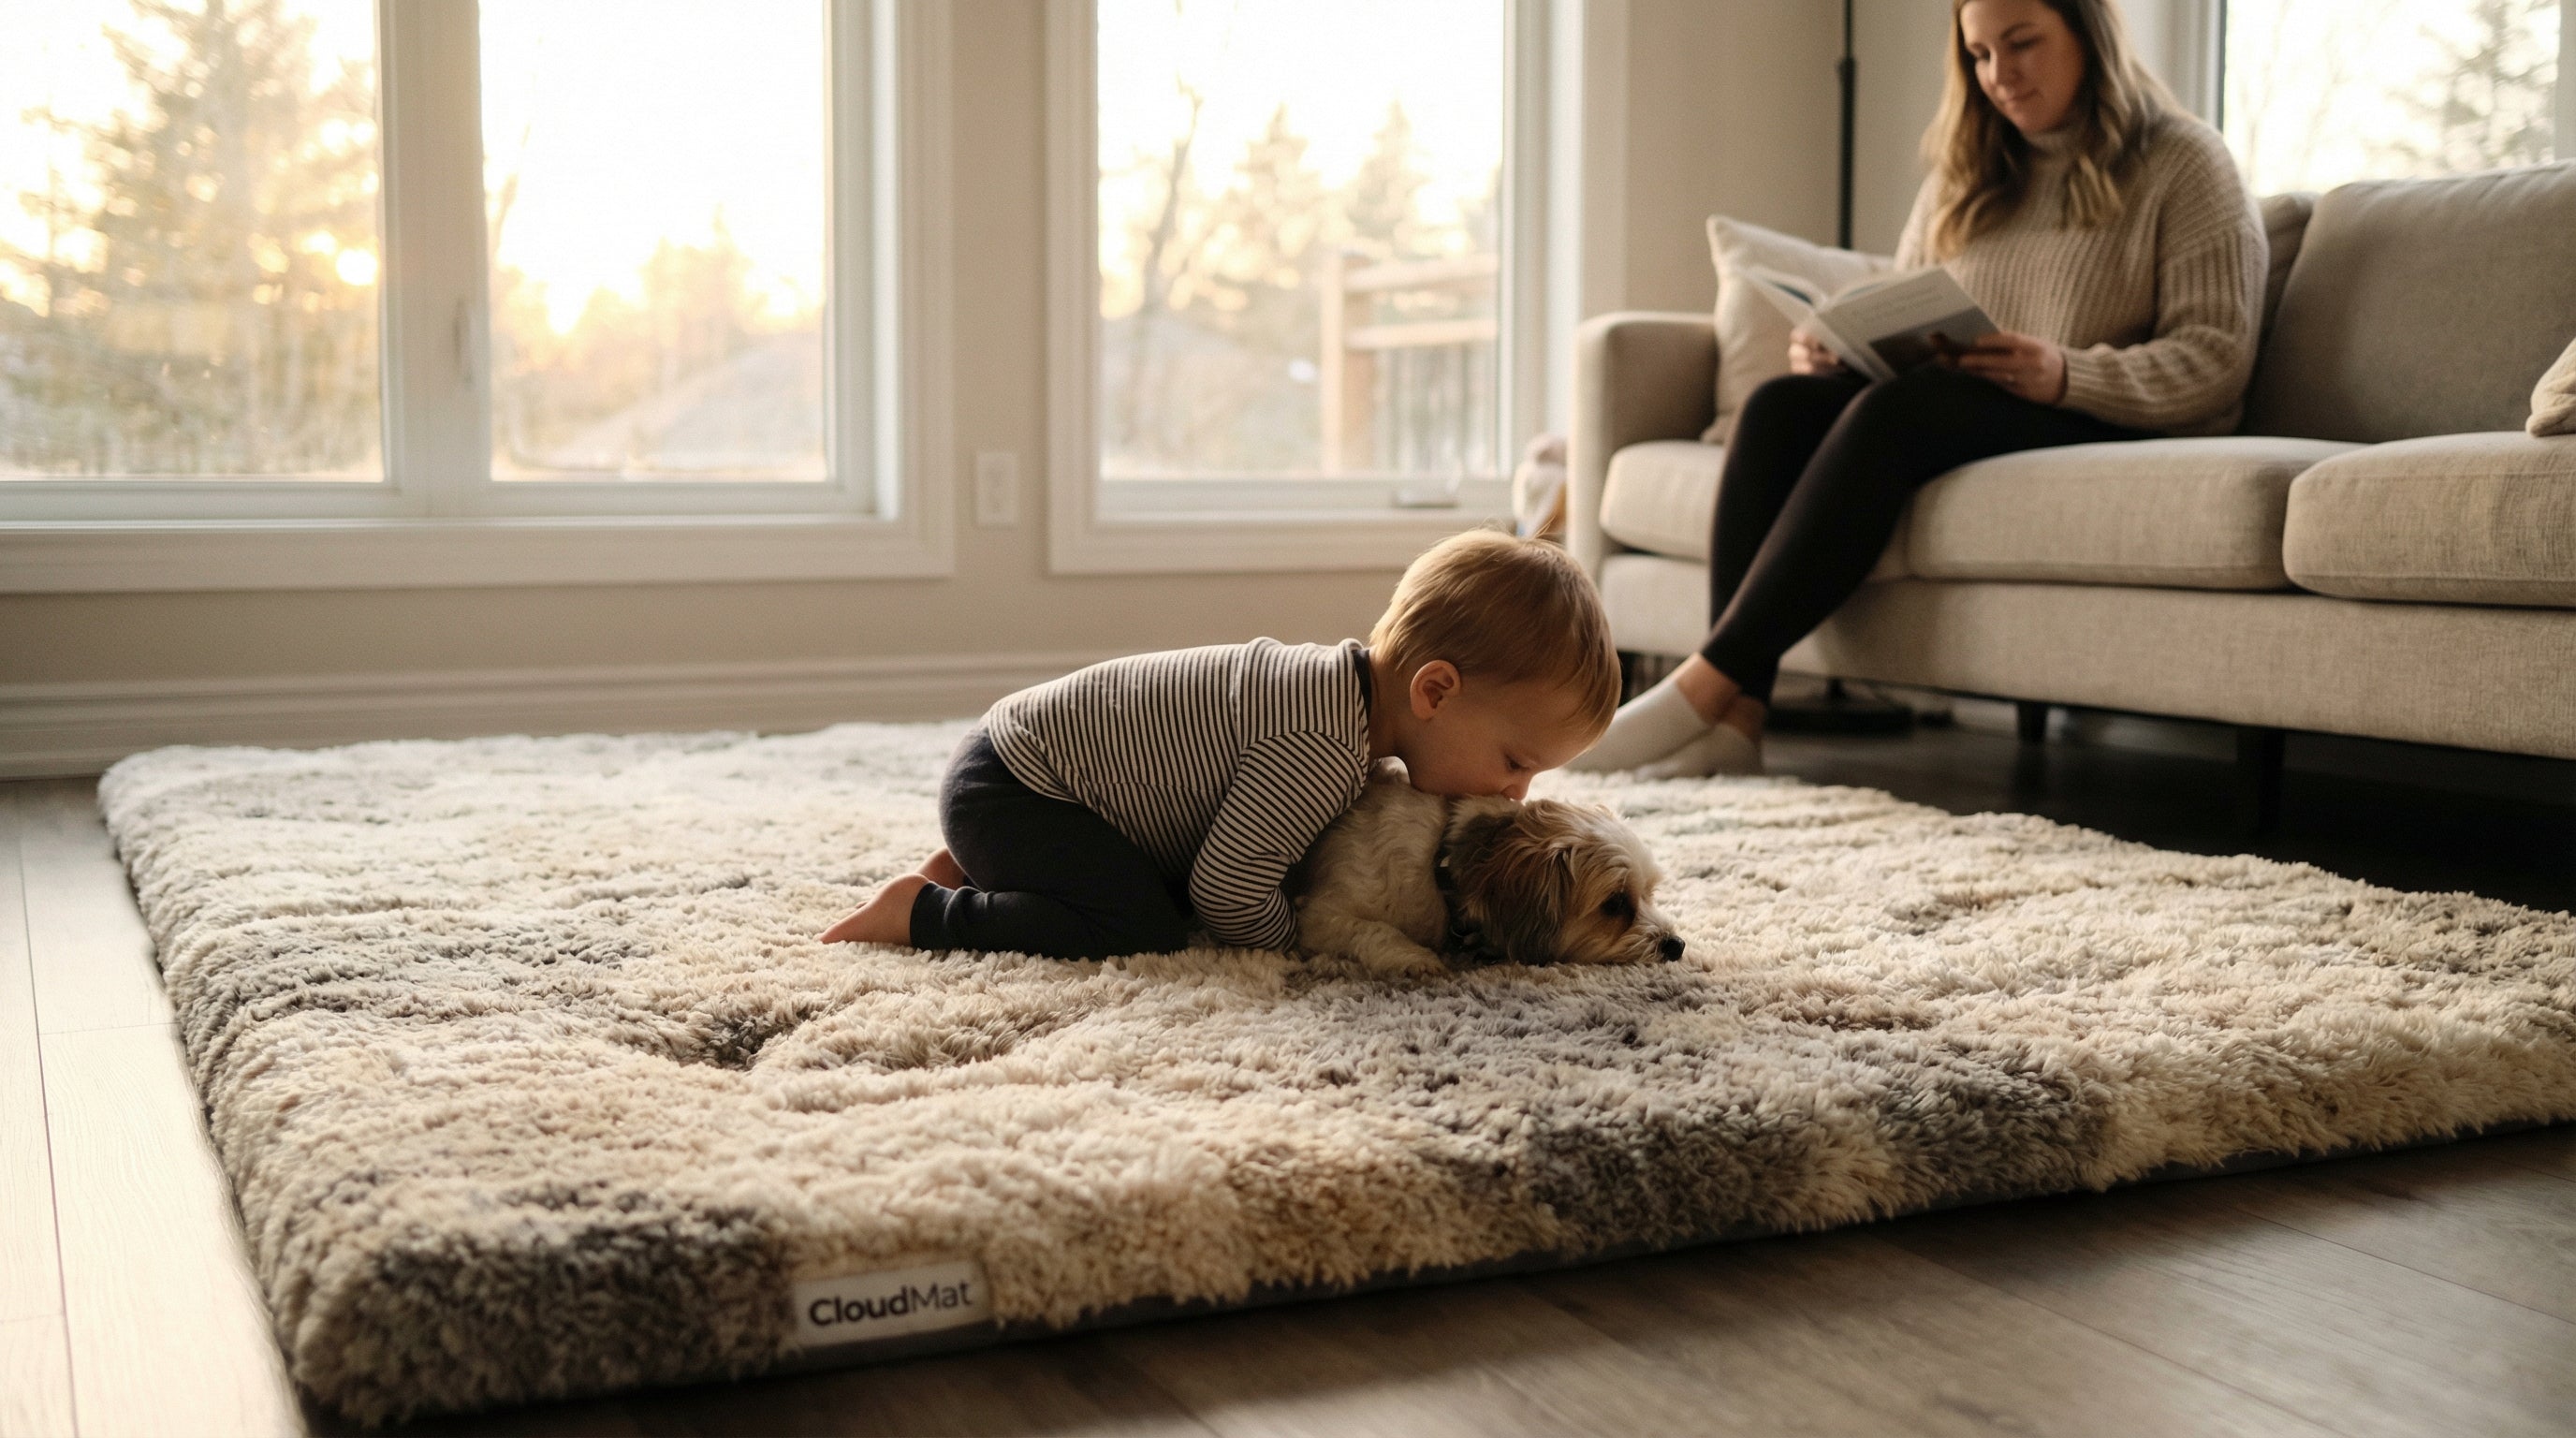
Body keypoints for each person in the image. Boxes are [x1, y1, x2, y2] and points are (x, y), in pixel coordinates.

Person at [1573, 0, 2264, 778]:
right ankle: (1739, 722)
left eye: (2023, 44)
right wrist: (1843, 352)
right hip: (1963, 405)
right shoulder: (1967, 172)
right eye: (1980, 55)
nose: (2001, 75)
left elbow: (2216, 360)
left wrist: (2068, 371)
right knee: (1780, 409)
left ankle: (1703, 682)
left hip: (2099, 411)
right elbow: (1902, 303)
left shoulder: (2184, 162)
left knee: (1911, 409)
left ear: (2088, 32)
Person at [820, 530, 1622, 959]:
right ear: (1435, 692)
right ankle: (927, 914)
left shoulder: (1340, 697)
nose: (1516, 794)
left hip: (1022, 775)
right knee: (1144, 929)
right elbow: (1231, 891)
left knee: (1156, 889)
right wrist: (1304, 940)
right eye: (1517, 762)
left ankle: (985, 868)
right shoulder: (1317, 744)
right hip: (1023, 788)